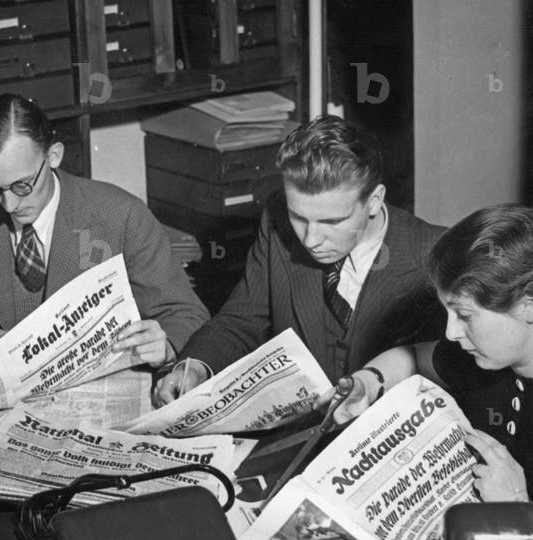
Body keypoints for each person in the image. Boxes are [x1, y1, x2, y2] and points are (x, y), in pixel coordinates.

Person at [154, 115, 445, 405]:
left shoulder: (436, 255)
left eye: (331, 221)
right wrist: (194, 368)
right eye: (299, 217)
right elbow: (242, 320)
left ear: (374, 201)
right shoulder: (277, 222)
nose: (310, 239)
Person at [0, 93, 208, 370]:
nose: (9, 205)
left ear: (54, 156)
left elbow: (187, 315)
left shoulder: (121, 215)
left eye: (22, 185)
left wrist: (166, 345)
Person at [332, 204, 533, 502]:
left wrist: (515, 504)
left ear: (528, 306)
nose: (451, 332)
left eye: (464, 315)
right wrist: (367, 383)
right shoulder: (478, 359)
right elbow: (412, 357)